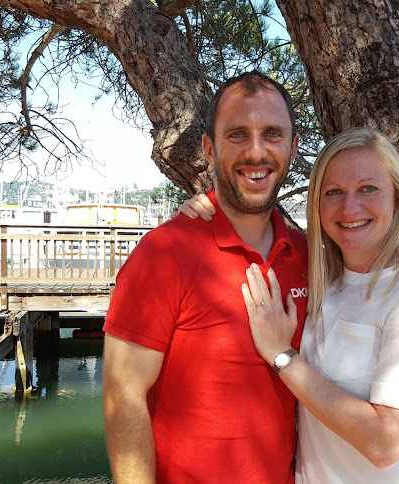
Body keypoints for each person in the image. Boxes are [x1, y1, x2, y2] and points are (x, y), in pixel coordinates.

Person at [183, 127, 399, 482]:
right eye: (333, 192)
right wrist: (210, 210)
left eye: (368, 188)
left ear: (397, 198)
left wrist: (282, 356)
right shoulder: (320, 274)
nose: (350, 207)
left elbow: (386, 443)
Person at [102, 71, 308, 483]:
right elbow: (123, 398)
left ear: (293, 148)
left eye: (272, 134)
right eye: (237, 135)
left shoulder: (307, 255)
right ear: (210, 150)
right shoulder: (164, 253)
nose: (256, 151)